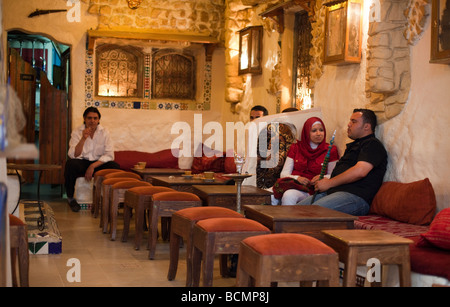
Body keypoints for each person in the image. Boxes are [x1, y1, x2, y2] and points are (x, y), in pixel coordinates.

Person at [298, 109, 387, 216]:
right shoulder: (355, 145)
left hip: (354, 197)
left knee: (310, 213)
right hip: (333, 192)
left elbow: (360, 171)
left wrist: (329, 183)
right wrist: (327, 180)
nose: (349, 125)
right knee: (294, 211)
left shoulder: (372, 144)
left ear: (366, 126)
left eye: (354, 122)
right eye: (350, 121)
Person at [271, 117, 339, 205]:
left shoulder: (330, 150)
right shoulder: (296, 147)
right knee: (269, 196)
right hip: (294, 184)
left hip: (313, 189)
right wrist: (297, 178)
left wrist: (323, 177)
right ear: (307, 132)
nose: (318, 134)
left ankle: (287, 219)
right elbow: (283, 174)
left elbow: (334, 175)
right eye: (314, 131)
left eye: (321, 130)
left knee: (289, 195)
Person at [64, 107, 120, 212]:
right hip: (82, 162)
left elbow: (109, 155)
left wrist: (92, 166)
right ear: (84, 119)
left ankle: (113, 199)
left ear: (99, 120)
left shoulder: (105, 132)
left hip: (98, 164)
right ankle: (71, 199)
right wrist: (83, 138)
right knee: (70, 164)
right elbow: (73, 154)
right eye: (89, 118)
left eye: (95, 118)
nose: (92, 121)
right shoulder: (77, 132)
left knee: (115, 166)